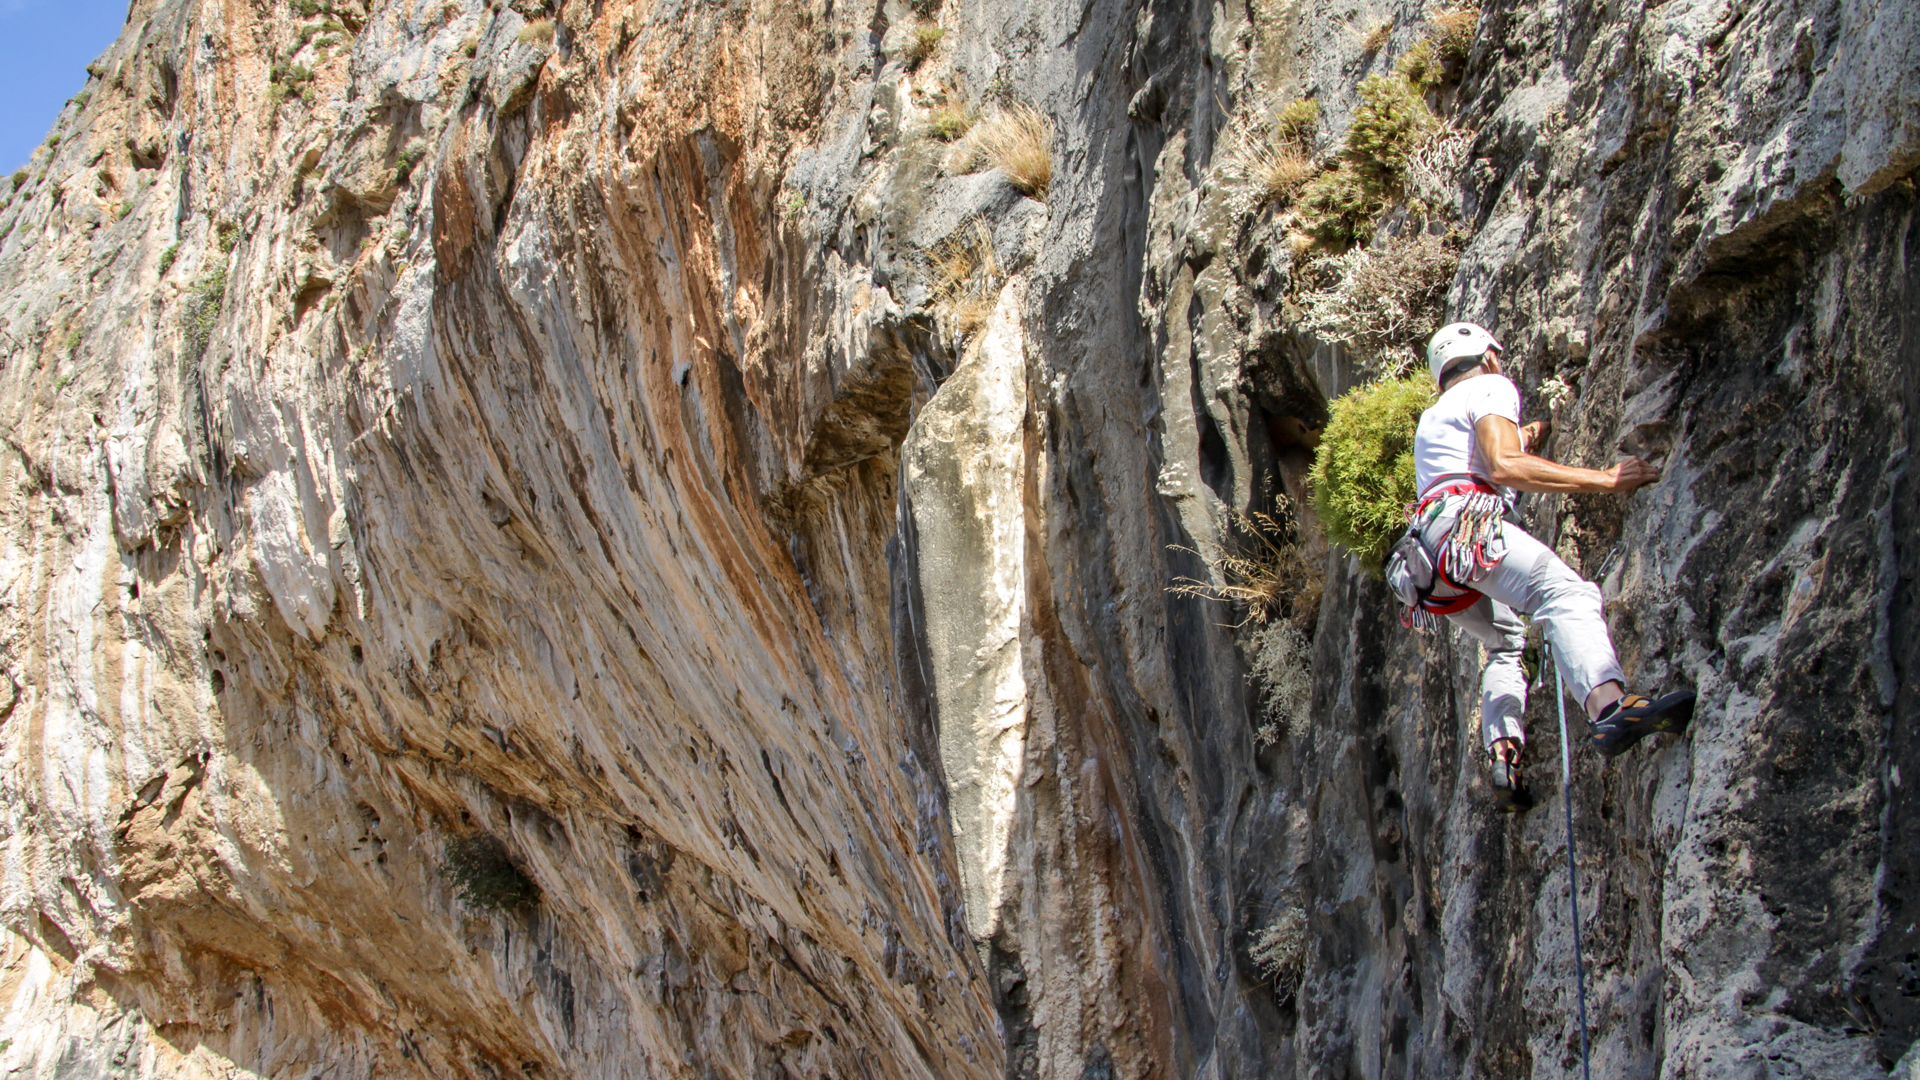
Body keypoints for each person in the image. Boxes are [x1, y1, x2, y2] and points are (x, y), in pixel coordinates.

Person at [1410, 322, 1694, 811]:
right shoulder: (1491, 385)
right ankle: (1609, 708)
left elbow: (1487, 448)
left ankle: (1503, 756)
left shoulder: (1433, 416)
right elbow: (1503, 464)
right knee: (1564, 594)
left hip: (1428, 559)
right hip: (1468, 529)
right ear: (1490, 357)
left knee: (1505, 643)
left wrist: (1533, 432)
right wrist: (1604, 479)